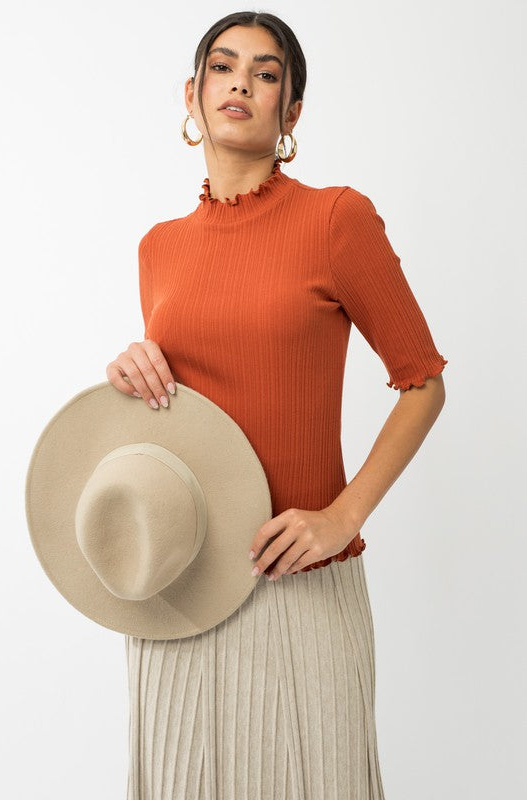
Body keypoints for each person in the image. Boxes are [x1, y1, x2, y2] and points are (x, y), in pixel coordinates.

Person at [106, 10, 447, 800]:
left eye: (266, 74)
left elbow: (421, 382)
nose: (241, 84)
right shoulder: (158, 247)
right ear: (191, 95)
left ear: (290, 112)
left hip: (297, 581)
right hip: (178, 580)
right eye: (223, 68)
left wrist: (342, 517)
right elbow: (184, 411)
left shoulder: (335, 219)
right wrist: (132, 373)